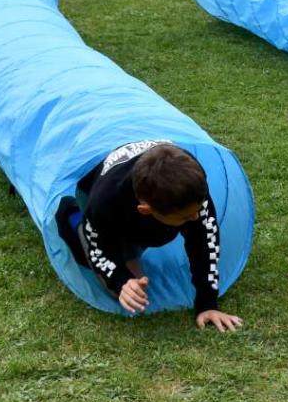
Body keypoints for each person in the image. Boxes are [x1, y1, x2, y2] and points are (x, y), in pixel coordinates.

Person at [54, 141, 243, 332]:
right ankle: (73, 215)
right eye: (185, 216)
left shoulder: (190, 184)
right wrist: (121, 281)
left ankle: (132, 250)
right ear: (146, 210)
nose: (196, 217)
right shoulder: (105, 203)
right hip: (95, 194)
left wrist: (207, 303)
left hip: (143, 198)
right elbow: (100, 250)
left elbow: (205, 242)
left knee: (187, 231)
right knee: (121, 289)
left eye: (198, 208)